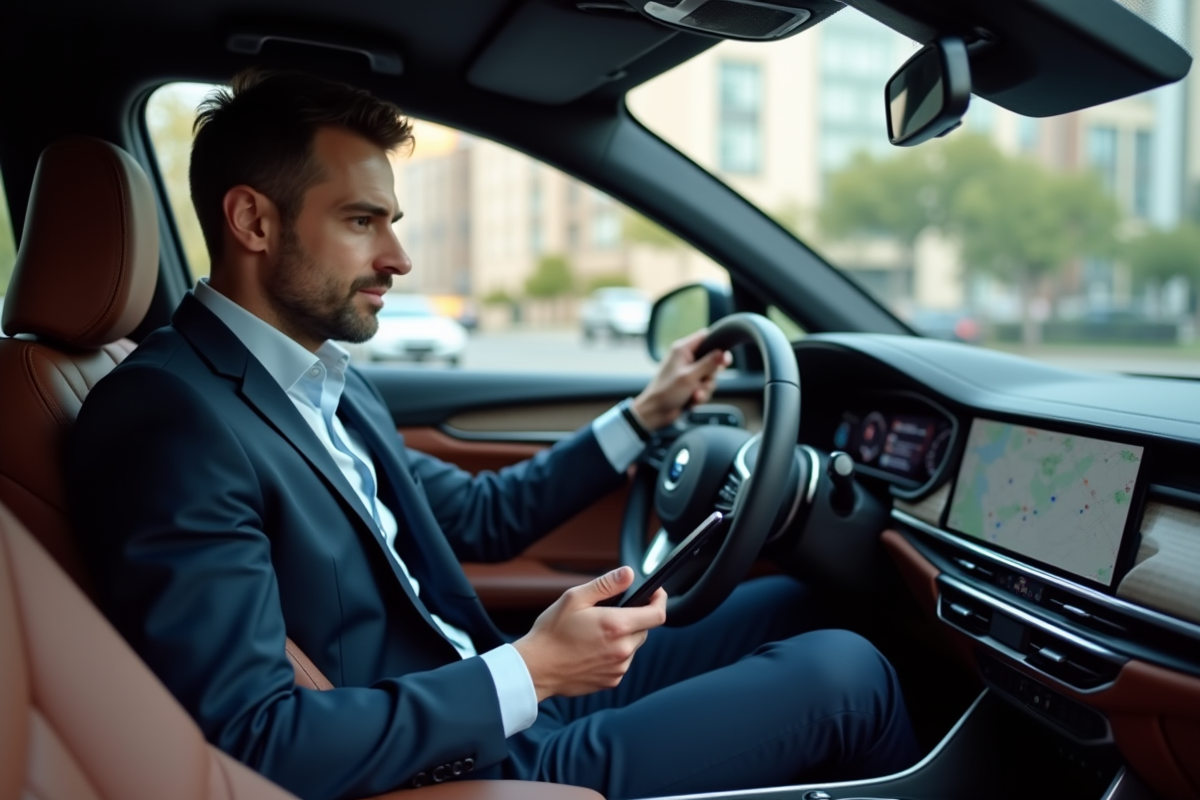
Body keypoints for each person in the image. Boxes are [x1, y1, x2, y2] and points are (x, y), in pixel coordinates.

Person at [67, 71, 918, 800]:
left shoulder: (321, 381)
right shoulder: (168, 418)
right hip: (452, 766)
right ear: (253, 222)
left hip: (492, 697)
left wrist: (643, 417)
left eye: (392, 221)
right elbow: (255, 737)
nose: (398, 257)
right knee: (845, 678)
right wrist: (533, 671)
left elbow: (474, 520)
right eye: (364, 221)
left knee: (797, 600)